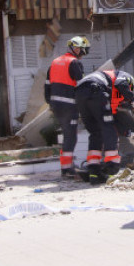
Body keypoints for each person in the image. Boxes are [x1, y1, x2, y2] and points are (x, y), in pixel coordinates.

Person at [75, 69, 134, 185]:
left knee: (96, 133)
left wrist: (129, 134)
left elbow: (113, 118)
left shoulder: (111, 96)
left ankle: (94, 172)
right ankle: (112, 171)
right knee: (109, 130)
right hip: (95, 89)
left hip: (80, 94)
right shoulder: (125, 76)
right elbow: (120, 84)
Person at [45, 35, 89, 178]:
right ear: (76, 49)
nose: (83, 54)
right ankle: (67, 168)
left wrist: (50, 103)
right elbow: (81, 86)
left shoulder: (54, 63)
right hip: (69, 105)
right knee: (71, 136)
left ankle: (65, 166)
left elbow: (47, 86)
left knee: (66, 134)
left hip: (56, 106)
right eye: (82, 51)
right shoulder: (74, 63)